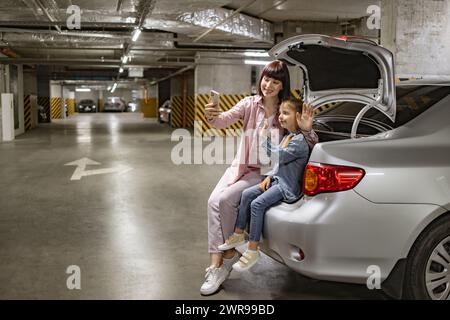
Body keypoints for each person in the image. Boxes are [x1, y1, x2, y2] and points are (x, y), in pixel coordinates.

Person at [201, 60, 318, 295]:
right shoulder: (249, 104)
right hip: (241, 166)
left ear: (282, 85)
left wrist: (307, 129)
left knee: (225, 201)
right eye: (266, 78)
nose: (268, 85)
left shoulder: (285, 112)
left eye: (275, 81)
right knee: (213, 201)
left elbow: (308, 142)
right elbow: (223, 120)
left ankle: (221, 264)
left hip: (263, 173)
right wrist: (211, 116)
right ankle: (223, 260)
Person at [218, 99, 312, 271]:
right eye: (280, 113)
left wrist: (264, 139)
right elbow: (277, 164)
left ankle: (253, 249)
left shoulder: (299, 141)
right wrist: (269, 176)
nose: (281, 117)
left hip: (286, 187)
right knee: (246, 194)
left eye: (286, 113)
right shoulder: (289, 136)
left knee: (257, 204)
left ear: (298, 116)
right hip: (277, 180)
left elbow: (279, 156)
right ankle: (239, 234)